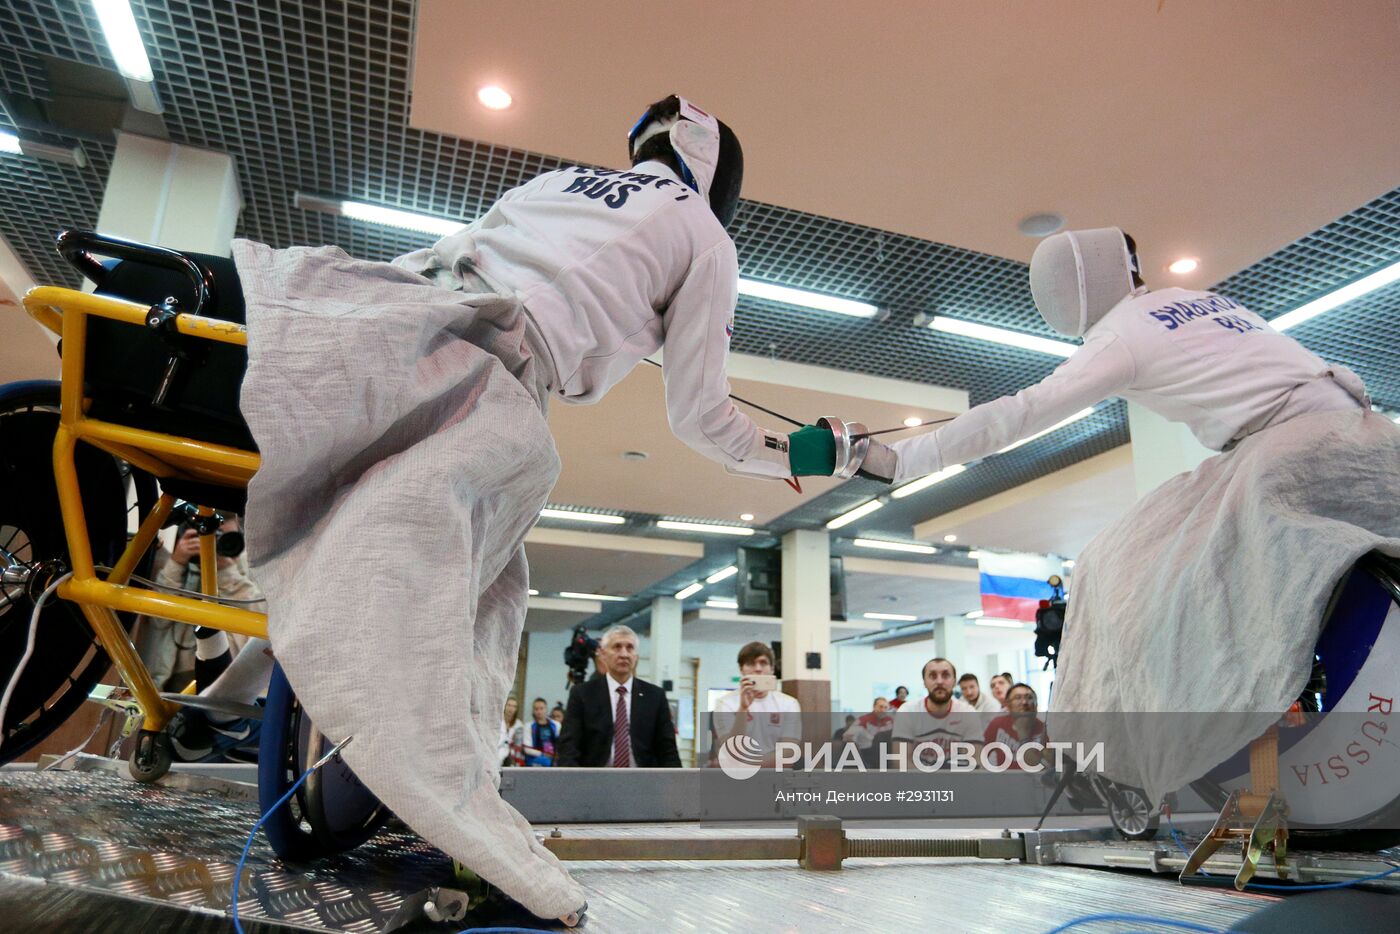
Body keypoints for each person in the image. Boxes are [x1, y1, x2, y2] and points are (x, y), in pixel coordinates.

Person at [233, 95, 880, 922]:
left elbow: (470, 253)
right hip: (486, 380)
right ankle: (447, 802)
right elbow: (701, 416)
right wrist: (796, 451)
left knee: (333, 519)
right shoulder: (706, 238)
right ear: (723, 185)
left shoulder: (562, 181)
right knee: (485, 593)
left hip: (389, 316)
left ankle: (254, 700)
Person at [865, 228, 1399, 801]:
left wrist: (895, 459)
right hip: (1371, 440)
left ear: (1071, 290)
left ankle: (1111, 757)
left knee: (1111, 563)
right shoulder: (1198, 301)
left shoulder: (1121, 333)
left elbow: (1021, 413)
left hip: (1292, 454)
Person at [555, 626, 681, 769]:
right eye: (617, 647)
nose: (624, 654)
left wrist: (674, 786)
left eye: (630, 648)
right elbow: (569, 746)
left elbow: (668, 749)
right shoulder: (582, 694)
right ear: (602, 654)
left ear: (636, 656)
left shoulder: (655, 696)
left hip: (644, 783)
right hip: (595, 782)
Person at [711, 642, 802, 767]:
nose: (758, 669)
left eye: (763, 663)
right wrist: (743, 709)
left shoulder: (789, 704)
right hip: (737, 781)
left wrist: (747, 767)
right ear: (741, 669)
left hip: (775, 778)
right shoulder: (725, 703)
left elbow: (788, 752)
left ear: (771, 669)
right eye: (750, 663)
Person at [892, 658, 984, 768]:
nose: (939, 681)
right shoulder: (907, 711)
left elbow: (974, 761)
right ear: (924, 682)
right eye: (932, 676)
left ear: (954, 682)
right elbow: (901, 762)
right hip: (917, 782)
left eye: (945, 675)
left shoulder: (968, 713)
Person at [983, 683, 1048, 770]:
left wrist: (1023, 734)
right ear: (1008, 706)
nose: (1024, 702)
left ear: (1036, 704)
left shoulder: (1045, 730)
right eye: (1018, 698)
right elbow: (980, 754)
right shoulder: (997, 724)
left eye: (1029, 698)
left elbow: (1038, 769)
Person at [843, 696, 896, 767]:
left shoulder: (891, 721)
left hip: (886, 755)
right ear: (874, 707)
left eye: (885, 708)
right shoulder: (863, 720)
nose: (883, 710)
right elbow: (847, 737)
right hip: (867, 755)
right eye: (880, 707)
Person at [522, 697, 559, 767]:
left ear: (546, 709)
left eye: (541, 708)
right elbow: (527, 749)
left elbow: (560, 744)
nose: (539, 712)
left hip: (554, 757)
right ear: (533, 711)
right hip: (535, 758)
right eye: (536, 709)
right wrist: (543, 754)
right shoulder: (528, 726)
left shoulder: (556, 725)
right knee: (546, 761)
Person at [498, 696, 524, 767]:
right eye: (509, 705)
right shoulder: (498, 721)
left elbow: (518, 744)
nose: (511, 708)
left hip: (511, 753)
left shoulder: (519, 725)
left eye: (514, 706)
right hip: (497, 751)